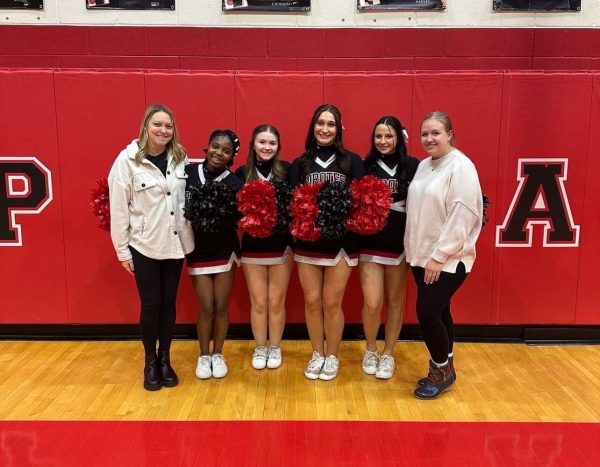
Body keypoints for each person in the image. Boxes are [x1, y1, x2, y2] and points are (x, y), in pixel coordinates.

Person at [108, 104, 193, 391]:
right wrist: (122, 250)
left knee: (169, 304)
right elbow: (119, 208)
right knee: (151, 304)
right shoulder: (127, 160)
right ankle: (150, 362)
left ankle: (165, 358)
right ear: (146, 126)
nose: (163, 130)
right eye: (157, 124)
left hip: (175, 245)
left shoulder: (181, 158)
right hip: (143, 245)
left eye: (168, 126)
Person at [404, 111, 483, 399]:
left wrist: (439, 256)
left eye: (435, 132)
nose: (429, 138)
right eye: (425, 133)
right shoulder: (425, 165)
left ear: (450, 134)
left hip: (447, 260)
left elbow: (462, 215)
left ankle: (440, 370)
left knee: (427, 312)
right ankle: (447, 362)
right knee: (440, 310)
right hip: (421, 256)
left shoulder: (461, 167)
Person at [289, 104, 365, 381]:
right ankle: (317, 353)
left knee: (332, 302)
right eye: (320, 123)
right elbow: (294, 204)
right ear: (313, 126)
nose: (325, 129)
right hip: (309, 243)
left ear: (339, 129)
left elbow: (361, 202)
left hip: (341, 243)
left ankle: (332, 356)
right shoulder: (300, 164)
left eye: (331, 124)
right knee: (312, 301)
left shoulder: (352, 161)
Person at [359, 116, 419, 379]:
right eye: (379, 136)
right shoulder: (365, 165)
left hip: (400, 242)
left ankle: (389, 353)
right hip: (371, 242)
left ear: (399, 138)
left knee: (395, 301)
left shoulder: (413, 165)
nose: (383, 141)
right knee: (372, 303)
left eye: (389, 136)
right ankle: (371, 348)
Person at [185, 129, 243, 380]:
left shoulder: (235, 183)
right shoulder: (187, 174)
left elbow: (241, 218)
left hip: (225, 251)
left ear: (232, 156)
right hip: (197, 251)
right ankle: (203, 355)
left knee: (221, 305)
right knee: (206, 305)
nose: (219, 153)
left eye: (226, 150)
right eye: (215, 147)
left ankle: (218, 353)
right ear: (207, 147)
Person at [235, 125, 293, 371]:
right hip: (252, 247)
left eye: (272, 143)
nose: (267, 147)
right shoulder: (241, 172)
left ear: (278, 147)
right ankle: (260, 346)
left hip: (281, 247)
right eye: (262, 142)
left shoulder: (287, 171)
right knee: (259, 302)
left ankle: (275, 346)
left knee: (276, 301)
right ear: (253, 144)